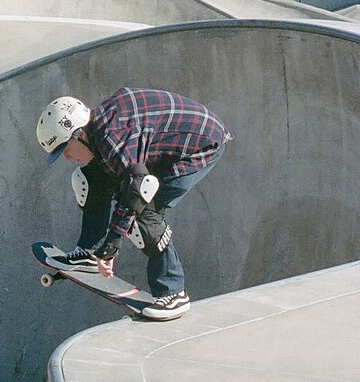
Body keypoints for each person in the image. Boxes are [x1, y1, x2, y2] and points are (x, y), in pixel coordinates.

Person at [36, 87, 232, 321]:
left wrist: (112, 245)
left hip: (199, 145)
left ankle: (173, 292)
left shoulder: (113, 137)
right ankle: (88, 253)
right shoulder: (99, 131)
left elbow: (137, 187)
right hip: (159, 147)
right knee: (89, 178)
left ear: (79, 134)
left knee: (142, 213)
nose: (66, 157)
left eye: (65, 149)